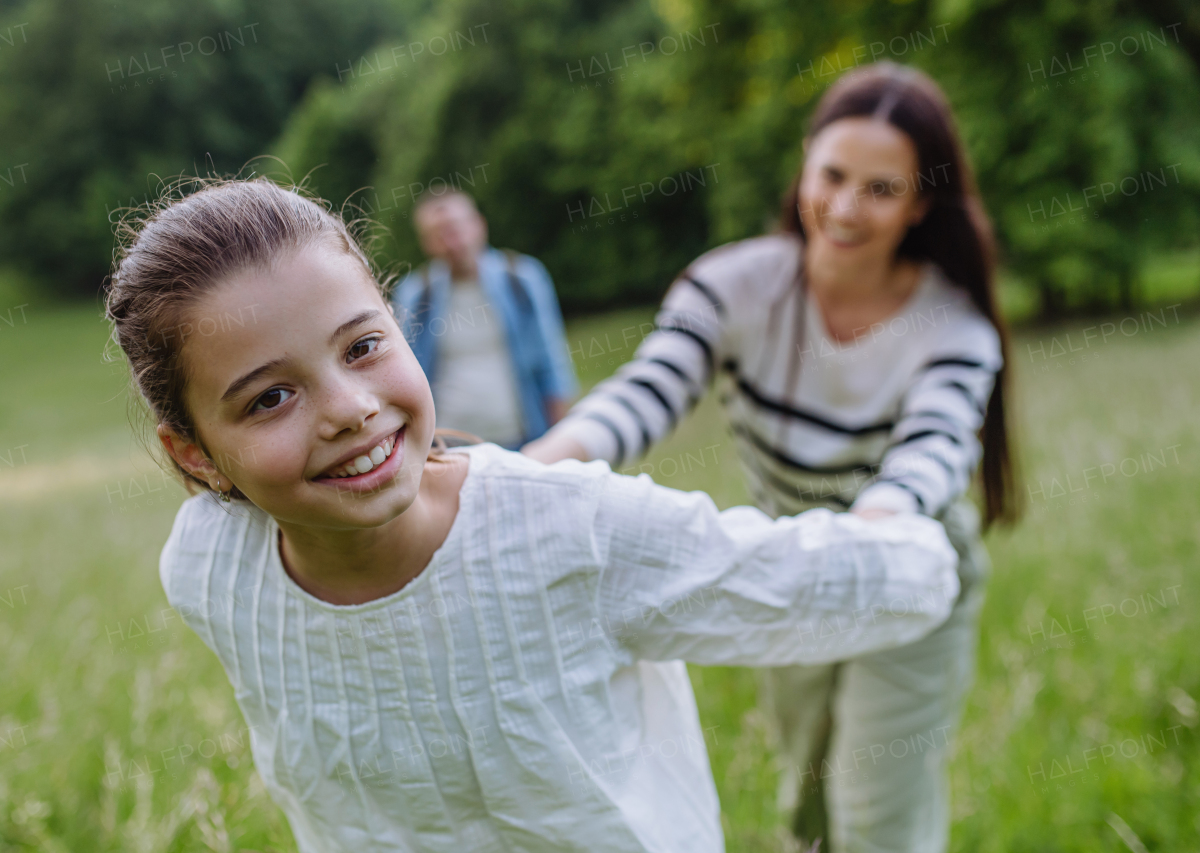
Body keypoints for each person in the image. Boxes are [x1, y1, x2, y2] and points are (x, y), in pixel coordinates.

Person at [105, 177, 962, 853]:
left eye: (363, 346)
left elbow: (796, 582)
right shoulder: (210, 570)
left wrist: (910, 536)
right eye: (271, 397)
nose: (349, 409)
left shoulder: (567, 529)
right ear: (194, 453)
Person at [523, 62, 1016, 853]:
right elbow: (644, 393)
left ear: (921, 202)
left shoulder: (952, 328)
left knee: (872, 807)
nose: (846, 207)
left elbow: (930, 456)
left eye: (881, 190)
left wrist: (863, 539)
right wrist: (527, 470)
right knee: (808, 803)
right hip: (788, 558)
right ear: (806, 162)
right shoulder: (735, 285)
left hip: (902, 561)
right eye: (833, 175)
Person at [389, 189, 577, 449]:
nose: (452, 241)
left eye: (455, 228)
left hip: (523, 439)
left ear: (479, 225)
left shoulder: (522, 277)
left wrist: (560, 441)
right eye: (439, 234)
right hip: (449, 446)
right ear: (427, 243)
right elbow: (405, 376)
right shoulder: (415, 294)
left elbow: (551, 361)